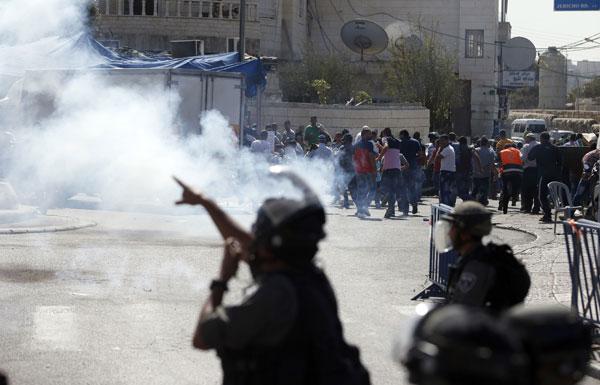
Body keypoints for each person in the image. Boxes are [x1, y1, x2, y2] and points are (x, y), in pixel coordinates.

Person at [174, 172, 371, 385]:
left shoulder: (276, 294)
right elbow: (248, 242)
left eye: (260, 235)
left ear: (270, 248)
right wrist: (206, 202)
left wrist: (221, 281)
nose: (254, 239)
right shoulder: (309, 274)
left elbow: (202, 338)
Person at [437, 201, 530, 312]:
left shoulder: (477, 267)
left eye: (453, 228)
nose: (449, 233)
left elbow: (462, 311)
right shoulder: (475, 257)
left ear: (465, 234)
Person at [528, 132, 562, 223]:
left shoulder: (538, 148)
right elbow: (561, 162)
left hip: (543, 174)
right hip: (554, 174)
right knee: (555, 194)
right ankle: (559, 211)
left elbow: (530, 157)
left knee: (541, 195)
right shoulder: (555, 148)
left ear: (541, 138)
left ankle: (547, 215)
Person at [378, 128, 409, 218]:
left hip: (388, 168)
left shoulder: (385, 138)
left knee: (389, 190)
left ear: (384, 133)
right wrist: (380, 146)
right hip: (396, 168)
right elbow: (389, 151)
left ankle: (390, 209)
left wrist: (379, 157)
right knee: (394, 190)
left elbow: (386, 147)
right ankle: (392, 210)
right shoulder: (397, 141)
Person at [353, 127, 377, 218]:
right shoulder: (369, 145)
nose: (370, 135)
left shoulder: (356, 145)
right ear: (363, 134)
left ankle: (360, 210)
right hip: (368, 171)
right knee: (372, 189)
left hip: (359, 171)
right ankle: (365, 207)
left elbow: (353, 159)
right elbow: (371, 157)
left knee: (361, 191)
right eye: (369, 134)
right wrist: (374, 170)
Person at [399, 130, 422, 214]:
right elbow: (420, 154)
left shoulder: (400, 143)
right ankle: (414, 204)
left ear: (402, 135)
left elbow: (398, 154)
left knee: (403, 188)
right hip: (413, 167)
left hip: (403, 167)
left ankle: (405, 209)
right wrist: (414, 157)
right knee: (412, 188)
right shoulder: (415, 142)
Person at [498, 143, 523, 214]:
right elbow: (522, 160)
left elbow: (500, 164)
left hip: (506, 172)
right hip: (518, 172)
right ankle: (514, 197)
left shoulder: (502, 152)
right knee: (516, 189)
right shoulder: (518, 151)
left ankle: (502, 206)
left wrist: (501, 172)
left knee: (504, 189)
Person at [455, 136, 481, 202]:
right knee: (466, 190)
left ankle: (473, 201)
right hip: (469, 171)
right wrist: (479, 168)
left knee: (460, 192)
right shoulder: (470, 148)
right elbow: (476, 157)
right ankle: (467, 205)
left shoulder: (459, 148)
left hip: (460, 171)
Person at [520, 135, 541, 214]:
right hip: (538, 170)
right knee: (536, 190)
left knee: (527, 190)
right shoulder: (539, 145)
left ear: (529, 138)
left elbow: (523, 158)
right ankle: (536, 208)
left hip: (528, 170)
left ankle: (527, 207)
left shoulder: (526, 146)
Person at [472, 136, 495, 206]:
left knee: (475, 188)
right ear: (487, 143)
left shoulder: (475, 150)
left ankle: (472, 201)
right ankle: (483, 201)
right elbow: (492, 164)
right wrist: (494, 173)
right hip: (486, 174)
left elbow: (471, 161)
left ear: (480, 143)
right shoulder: (491, 151)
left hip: (476, 173)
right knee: (484, 189)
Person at [335, 133, 356, 209]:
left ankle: (346, 202)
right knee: (352, 189)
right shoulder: (354, 148)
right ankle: (359, 206)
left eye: (344, 140)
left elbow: (338, 158)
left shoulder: (342, 148)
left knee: (344, 187)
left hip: (344, 171)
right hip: (352, 171)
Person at [435, 135, 457, 207]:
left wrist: (439, 148)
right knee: (448, 190)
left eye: (442, 141)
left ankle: (445, 206)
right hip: (450, 172)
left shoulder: (447, 149)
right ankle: (448, 205)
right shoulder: (450, 148)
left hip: (446, 172)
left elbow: (437, 158)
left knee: (444, 191)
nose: (440, 143)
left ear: (446, 140)